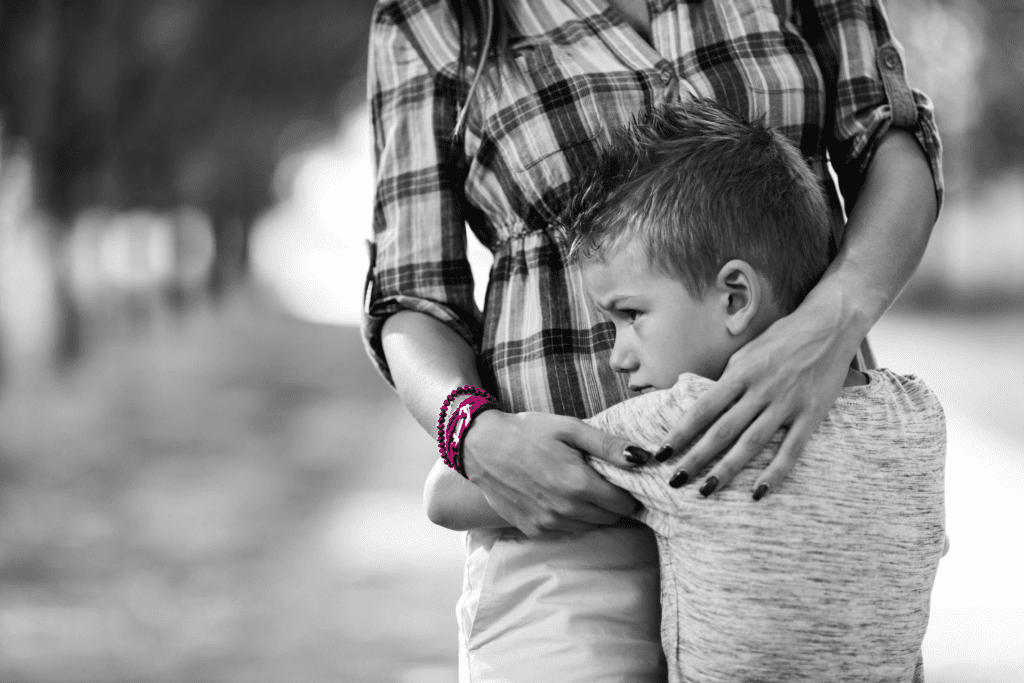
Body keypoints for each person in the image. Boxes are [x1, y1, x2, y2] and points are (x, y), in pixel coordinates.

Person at [363, 0, 942, 679]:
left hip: (786, 466)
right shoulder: (429, 19)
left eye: (629, 317)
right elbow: (413, 294)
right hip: (568, 537)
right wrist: (476, 433)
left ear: (736, 294)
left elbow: (891, 141)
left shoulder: (666, 427)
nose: (621, 349)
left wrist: (828, 326)